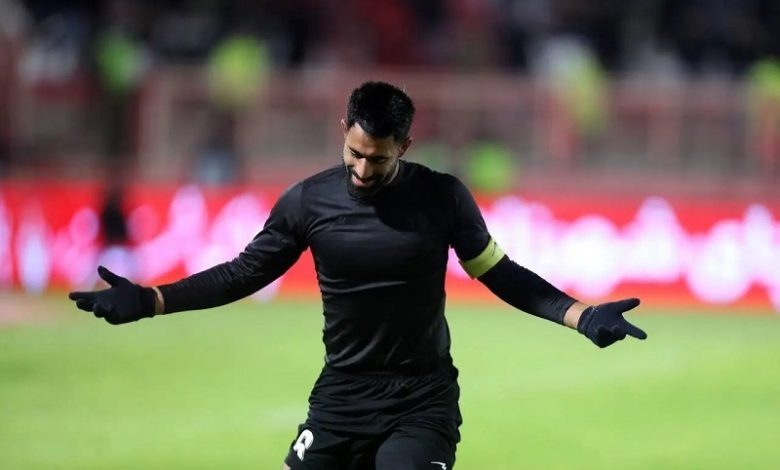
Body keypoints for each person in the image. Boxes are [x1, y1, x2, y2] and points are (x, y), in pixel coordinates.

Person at [68, 81, 647, 469]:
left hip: (422, 398)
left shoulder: (442, 197)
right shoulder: (308, 202)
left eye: (379, 158)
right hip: (342, 394)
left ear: (406, 146)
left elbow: (501, 274)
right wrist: (151, 299)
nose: (363, 169)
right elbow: (244, 273)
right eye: (355, 153)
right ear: (343, 128)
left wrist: (580, 315)